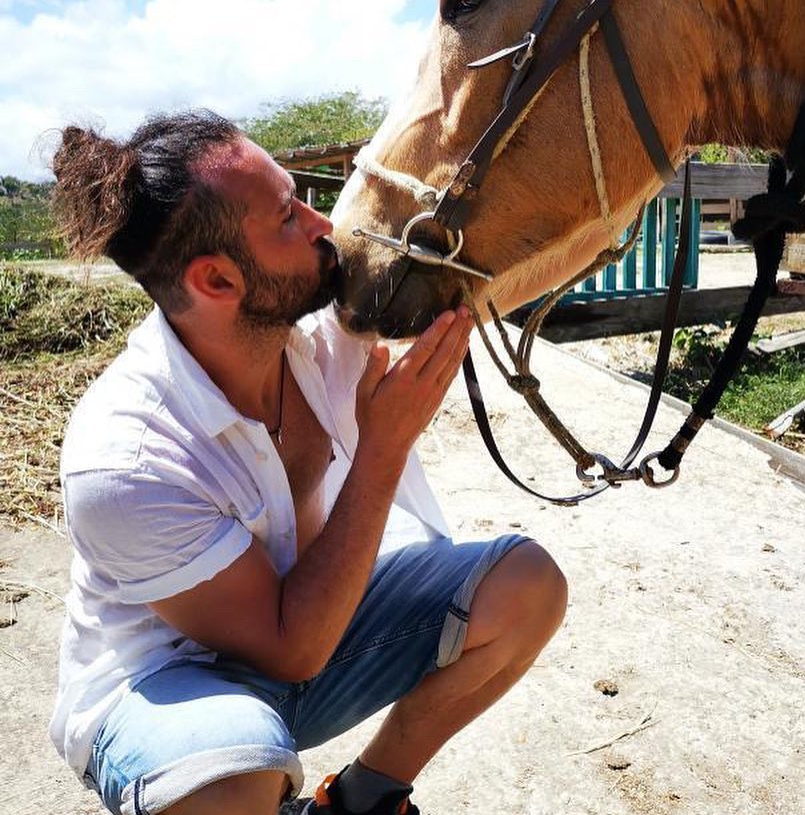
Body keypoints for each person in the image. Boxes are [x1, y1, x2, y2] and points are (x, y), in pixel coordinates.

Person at [48, 110, 568, 815]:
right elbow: (290, 650)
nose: (325, 225)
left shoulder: (322, 335)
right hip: (162, 690)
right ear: (218, 281)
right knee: (233, 776)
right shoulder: (126, 461)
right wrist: (382, 449)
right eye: (289, 216)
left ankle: (362, 801)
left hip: (308, 628)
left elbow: (488, 274)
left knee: (527, 585)